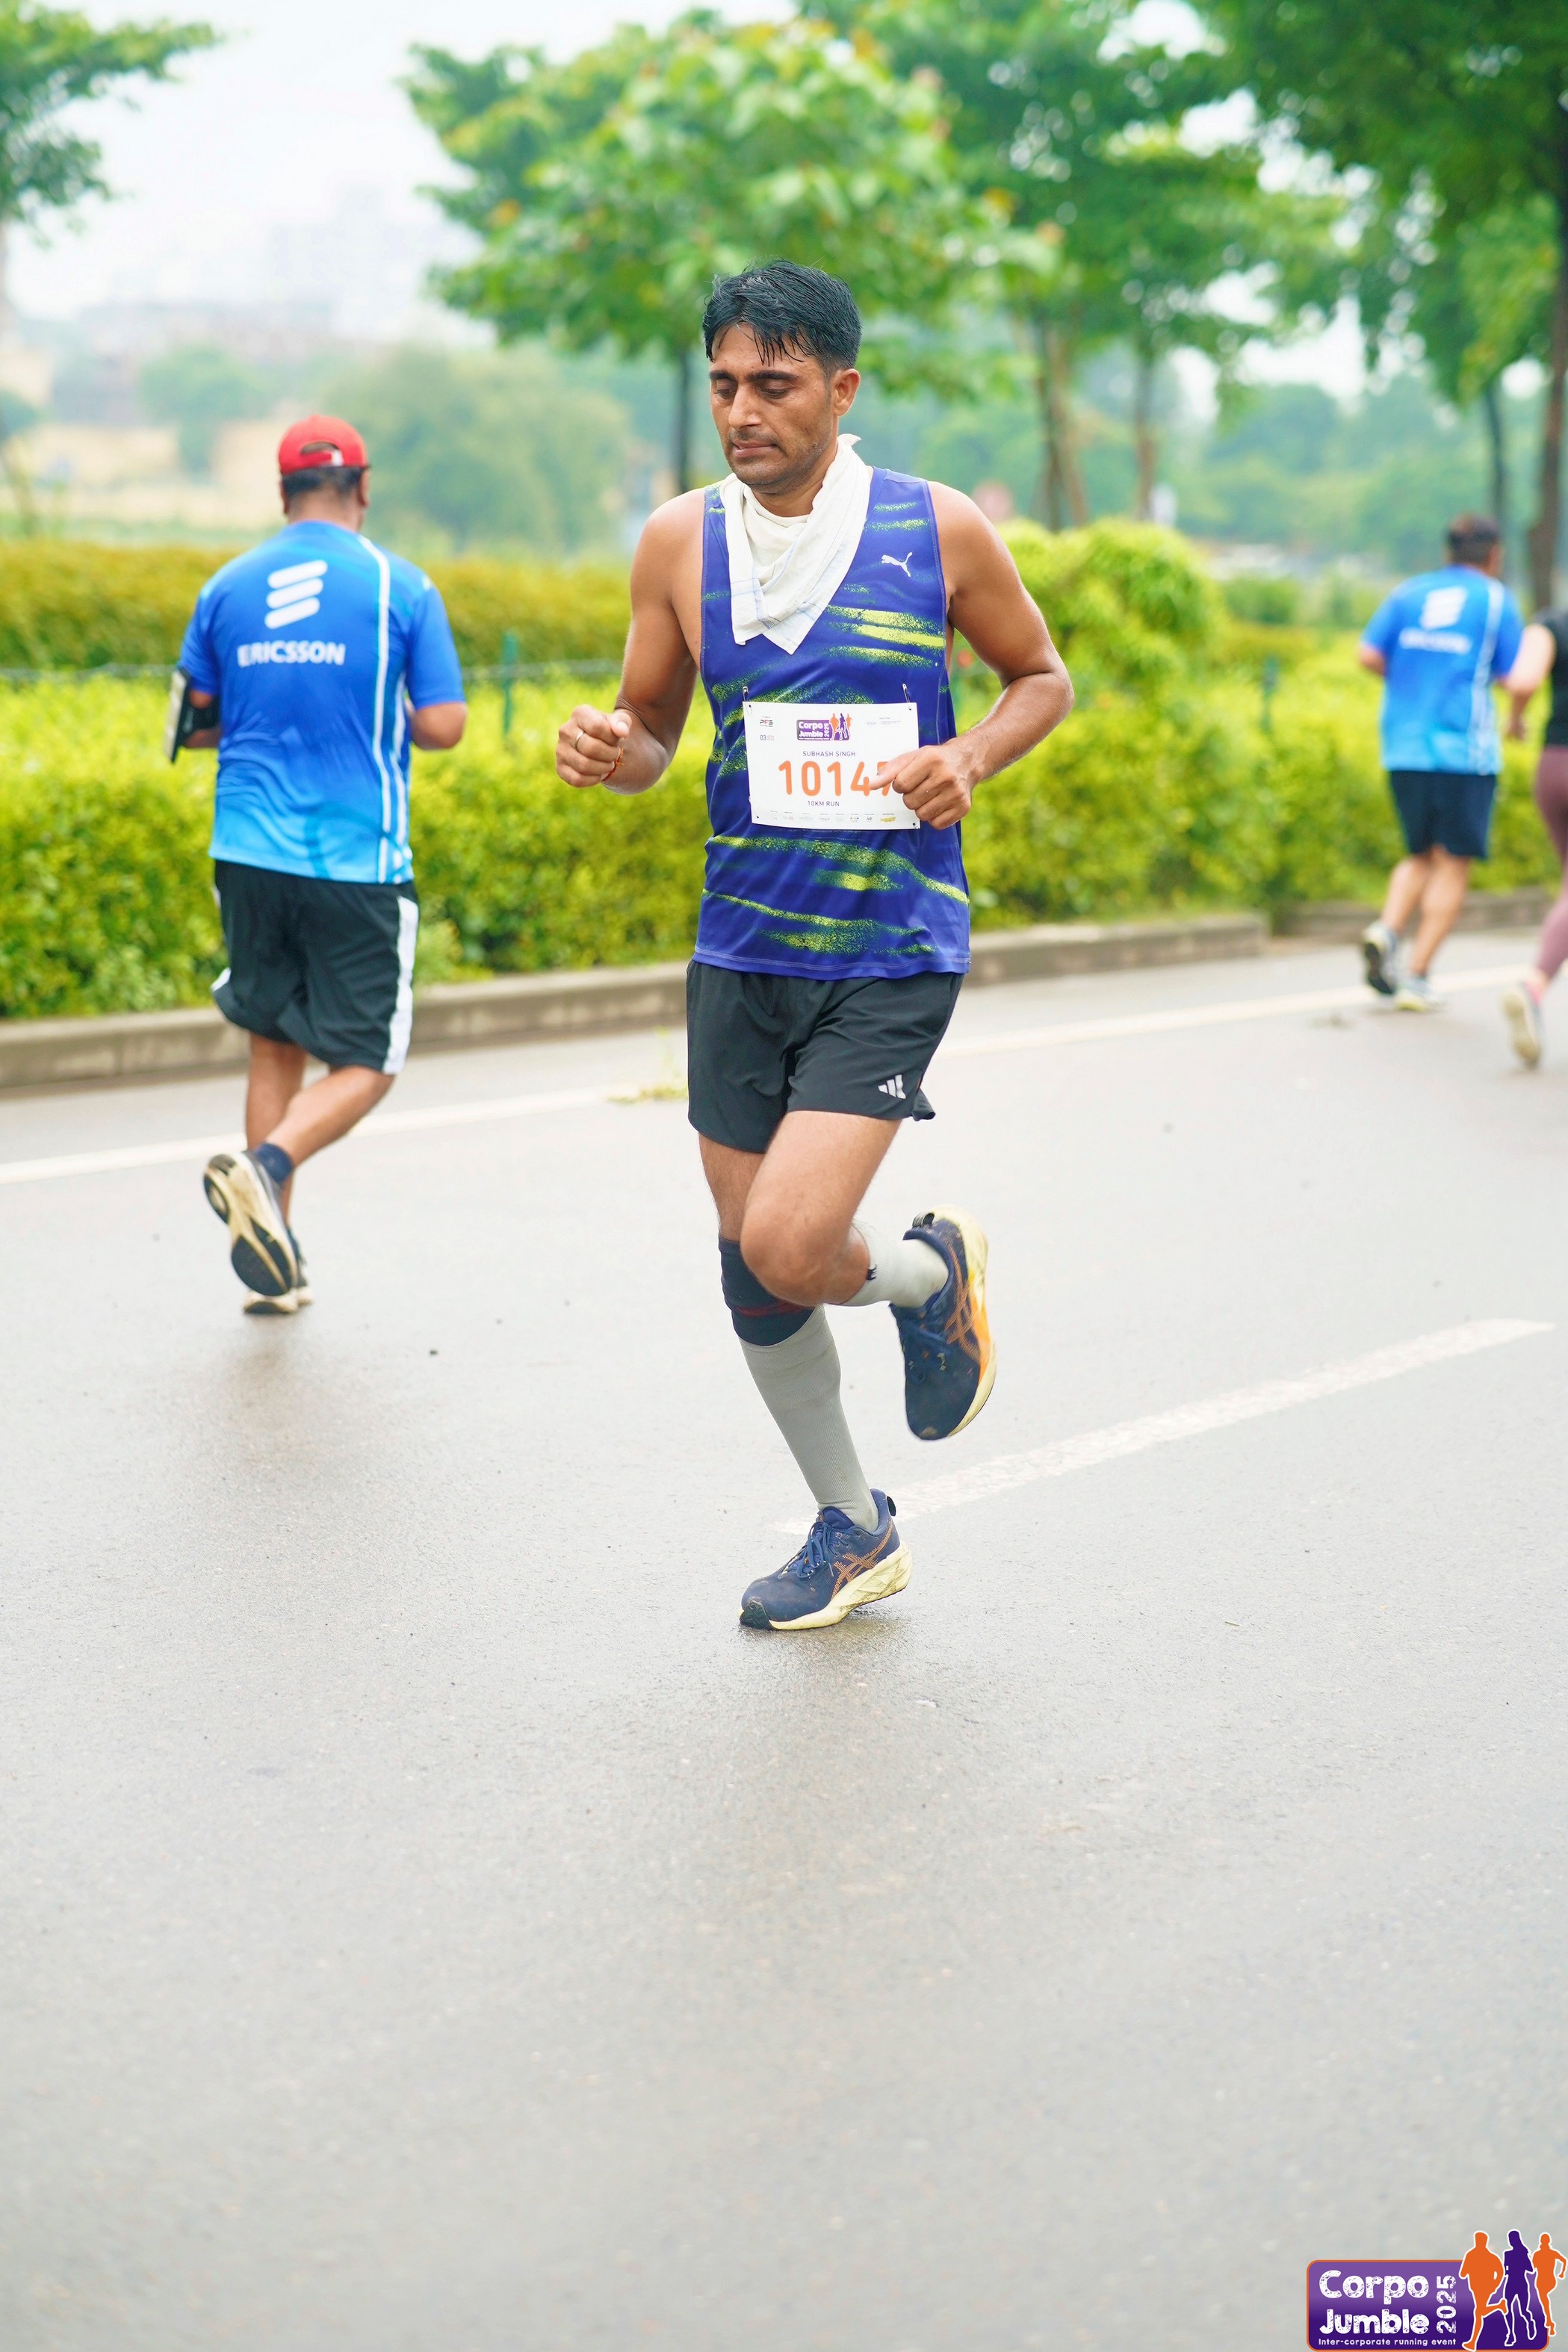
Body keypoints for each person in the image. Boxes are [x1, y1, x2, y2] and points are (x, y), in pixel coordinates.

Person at [554, 261, 1072, 1629]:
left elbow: (1040, 677)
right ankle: (852, 1524)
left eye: (773, 385)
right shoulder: (677, 542)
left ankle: (924, 1275)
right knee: (749, 1261)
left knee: (790, 1243)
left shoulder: (935, 527)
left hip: (889, 948)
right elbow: (651, 733)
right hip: (740, 946)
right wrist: (610, 750)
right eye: (722, 384)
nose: (742, 410)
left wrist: (968, 754)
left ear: (840, 391)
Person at [177, 415, 467, 1310]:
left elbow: (195, 718)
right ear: (363, 488)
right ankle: (266, 1166)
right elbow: (444, 723)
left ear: (282, 494)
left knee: (275, 1044)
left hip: (245, 850)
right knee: (370, 1058)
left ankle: (275, 1258)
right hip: (354, 855)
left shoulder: (225, 586)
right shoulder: (400, 584)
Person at [1358, 515, 1524, 1010]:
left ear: (1448, 551)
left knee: (1419, 854)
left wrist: (1410, 679)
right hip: (1462, 752)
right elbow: (1515, 676)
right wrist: (1514, 716)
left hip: (1403, 746)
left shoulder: (1408, 593)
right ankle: (1417, 976)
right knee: (1452, 863)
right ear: (1493, 555)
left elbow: (1367, 654)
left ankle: (1387, 930)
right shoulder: (1495, 600)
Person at [1497, 603, 1568, 1065]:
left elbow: (1523, 679)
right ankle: (1533, 984)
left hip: (1555, 765)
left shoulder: (1554, 622)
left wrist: (1516, 717)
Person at [1463, 2232, 1506, 2351]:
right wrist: (1495, 2285)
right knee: (1480, 2312)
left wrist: (1495, 2285)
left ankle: (1473, 2342)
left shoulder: (1471, 2255)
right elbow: (1501, 2272)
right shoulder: (1491, 2257)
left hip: (1481, 2288)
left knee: (1479, 2313)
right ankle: (1499, 2306)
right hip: (1481, 2288)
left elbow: (1463, 2274)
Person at [1534, 2234, 1564, 2338]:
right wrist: (1561, 2272)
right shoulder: (1549, 2253)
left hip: (1546, 2280)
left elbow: (1533, 2268)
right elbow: (1563, 2261)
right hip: (1547, 2280)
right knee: (1544, 2299)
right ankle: (1549, 2321)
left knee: (1544, 2299)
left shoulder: (1539, 2254)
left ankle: (1549, 2321)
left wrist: (1562, 2272)